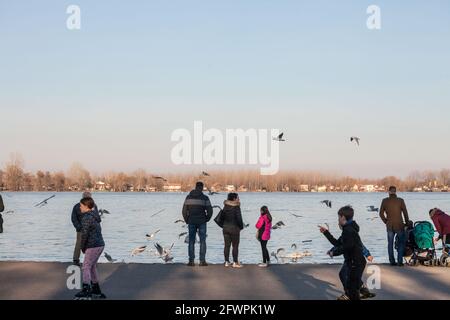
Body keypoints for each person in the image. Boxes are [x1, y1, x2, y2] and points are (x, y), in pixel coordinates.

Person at [319, 206, 366, 300]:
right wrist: (326, 233)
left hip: (355, 263)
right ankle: (360, 290)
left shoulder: (348, 231)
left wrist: (334, 253)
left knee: (352, 290)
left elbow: (347, 247)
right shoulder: (347, 229)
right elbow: (337, 243)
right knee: (352, 288)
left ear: (343, 217)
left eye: (339, 217)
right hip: (353, 262)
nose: (338, 220)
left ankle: (357, 291)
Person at [75, 197, 106, 299]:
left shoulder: (86, 217)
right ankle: (96, 289)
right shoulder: (95, 216)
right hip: (100, 245)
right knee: (91, 266)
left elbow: (84, 235)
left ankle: (86, 289)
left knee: (85, 267)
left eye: (81, 206)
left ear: (86, 206)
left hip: (93, 246)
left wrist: (82, 248)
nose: (79, 208)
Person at [182, 181, 213, 266]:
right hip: (202, 221)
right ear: (202, 188)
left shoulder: (188, 198)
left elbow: (184, 211)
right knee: (202, 241)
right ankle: (202, 261)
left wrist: (187, 220)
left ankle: (191, 261)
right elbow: (210, 210)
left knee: (191, 241)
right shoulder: (205, 198)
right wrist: (207, 219)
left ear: (195, 187)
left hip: (191, 221)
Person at [379, 186, 410, 266]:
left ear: (389, 192)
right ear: (395, 192)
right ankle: (400, 261)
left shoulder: (384, 201)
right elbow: (405, 213)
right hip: (399, 225)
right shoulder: (400, 200)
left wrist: (386, 221)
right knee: (401, 242)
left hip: (389, 225)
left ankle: (392, 261)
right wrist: (407, 223)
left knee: (390, 243)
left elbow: (381, 214)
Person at [71, 191, 99, 266]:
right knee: (79, 244)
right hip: (81, 229)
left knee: (90, 245)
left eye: (89, 197)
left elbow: (97, 217)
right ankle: (76, 260)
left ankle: (89, 261)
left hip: (91, 229)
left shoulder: (94, 206)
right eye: (86, 197)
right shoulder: (77, 206)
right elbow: (73, 218)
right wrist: (78, 227)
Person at [220, 193, 244, 268]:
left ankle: (226, 262)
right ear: (234, 199)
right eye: (237, 197)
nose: (238, 199)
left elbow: (221, 218)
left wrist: (224, 226)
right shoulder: (236, 207)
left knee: (227, 245)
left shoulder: (225, 207)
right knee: (235, 246)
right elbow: (239, 219)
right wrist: (241, 227)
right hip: (235, 229)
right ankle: (235, 262)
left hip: (225, 228)